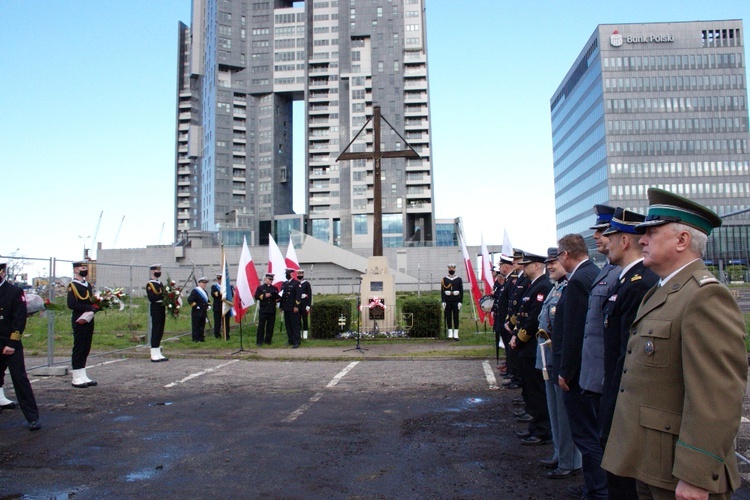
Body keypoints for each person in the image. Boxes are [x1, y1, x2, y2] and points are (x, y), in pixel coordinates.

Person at [602, 189, 748, 499]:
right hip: (650, 460)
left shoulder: (705, 296)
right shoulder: (661, 292)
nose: (642, 240)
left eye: (651, 233)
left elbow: (717, 396)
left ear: (681, 240)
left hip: (680, 471)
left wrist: (696, 475)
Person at [598, 208, 658, 499]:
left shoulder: (638, 285)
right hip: (615, 391)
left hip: (624, 400)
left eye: (610, 237)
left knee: (624, 483)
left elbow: (628, 354)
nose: (605, 243)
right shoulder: (626, 281)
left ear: (623, 241)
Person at [570, 205, 621, 498]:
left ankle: (600, 491)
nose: (599, 238)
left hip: (604, 376)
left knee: (601, 440)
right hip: (597, 376)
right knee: (599, 439)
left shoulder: (625, 278)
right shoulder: (607, 272)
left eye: (603, 233)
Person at [553, 235, 602, 499]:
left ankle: (596, 490)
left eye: (559, 255)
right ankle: (594, 486)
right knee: (589, 435)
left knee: (586, 436)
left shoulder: (580, 281)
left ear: (567, 254)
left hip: (578, 373)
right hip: (583, 370)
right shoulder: (590, 274)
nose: (558, 260)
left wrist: (566, 371)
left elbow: (575, 331)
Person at [537, 247, 581, 479]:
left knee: (564, 415)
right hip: (549, 358)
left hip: (560, 358)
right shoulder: (556, 289)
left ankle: (570, 461)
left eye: (554, 261)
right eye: (548, 263)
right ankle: (559, 453)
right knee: (555, 412)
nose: (550, 266)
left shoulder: (568, 288)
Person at [509, 252, 552, 445]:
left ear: (536, 266)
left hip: (532, 344)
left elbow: (534, 319)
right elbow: (522, 313)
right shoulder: (533, 285)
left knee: (537, 391)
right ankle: (535, 426)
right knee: (530, 388)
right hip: (525, 345)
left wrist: (519, 339)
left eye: (526, 265)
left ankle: (542, 430)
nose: (523, 268)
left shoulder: (542, 285)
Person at [0, 261, 40, 430]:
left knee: (19, 379)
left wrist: (12, 342)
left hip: (9, 344)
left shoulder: (14, 292)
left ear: (2, 272)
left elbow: (19, 319)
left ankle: (32, 417)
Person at [67, 261, 99, 388]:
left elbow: (90, 299)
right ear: (76, 270)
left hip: (89, 318)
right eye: (82, 268)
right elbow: (72, 304)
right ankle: (76, 376)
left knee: (86, 346)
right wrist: (89, 307)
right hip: (79, 318)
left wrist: (96, 305)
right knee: (79, 346)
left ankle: (82, 374)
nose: (84, 269)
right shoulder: (73, 286)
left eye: (86, 267)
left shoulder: (87, 285)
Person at [146, 264, 168, 362]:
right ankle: (153, 352)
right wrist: (163, 296)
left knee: (160, 329)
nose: (158, 272)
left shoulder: (159, 283)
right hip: (155, 307)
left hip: (161, 307)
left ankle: (157, 351)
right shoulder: (150, 284)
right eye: (156, 270)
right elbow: (152, 298)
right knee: (156, 329)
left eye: (159, 270)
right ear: (152, 271)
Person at [254, 273, 280, 346]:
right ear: (266, 279)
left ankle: (268, 340)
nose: (271, 281)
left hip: (271, 309)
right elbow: (256, 296)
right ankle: (259, 341)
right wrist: (265, 296)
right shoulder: (260, 288)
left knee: (270, 325)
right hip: (263, 309)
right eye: (270, 279)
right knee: (261, 325)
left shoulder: (274, 288)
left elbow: (277, 298)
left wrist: (277, 298)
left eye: (272, 279)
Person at [280, 268, 302, 348]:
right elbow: (282, 296)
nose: (286, 275)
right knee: (288, 325)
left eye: (288, 273)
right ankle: (290, 340)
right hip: (286, 308)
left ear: (292, 274)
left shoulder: (296, 283)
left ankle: (297, 341)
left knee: (295, 325)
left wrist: (296, 306)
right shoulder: (284, 283)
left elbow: (298, 296)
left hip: (293, 308)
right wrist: (281, 306)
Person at [441, 264, 463, 340]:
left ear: (454, 269)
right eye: (450, 268)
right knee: (448, 316)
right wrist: (443, 301)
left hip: (456, 300)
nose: (451, 270)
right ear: (448, 269)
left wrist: (460, 301)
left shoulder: (458, 279)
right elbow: (442, 291)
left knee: (456, 316)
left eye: (452, 268)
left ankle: (456, 334)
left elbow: (461, 291)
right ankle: (450, 333)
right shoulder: (444, 279)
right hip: (448, 300)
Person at [188, 277, 210, 342]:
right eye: (203, 283)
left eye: (205, 283)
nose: (205, 284)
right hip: (197, 312)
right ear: (199, 283)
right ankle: (195, 339)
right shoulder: (195, 291)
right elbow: (190, 300)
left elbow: (207, 300)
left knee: (202, 326)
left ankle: (201, 338)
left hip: (203, 312)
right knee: (196, 326)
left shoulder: (205, 292)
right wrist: (196, 306)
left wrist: (208, 305)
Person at [211, 274, 230, 340]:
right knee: (217, 323)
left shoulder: (227, 286)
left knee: (226, 322)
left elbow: (231, 295)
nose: (220, 281)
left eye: (221, 280)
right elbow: (215, 295)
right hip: (217, 308)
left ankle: (226, 335)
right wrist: (222, 293)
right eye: (219, 279)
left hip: (226, 306)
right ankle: (217, 336)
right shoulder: (214, 287)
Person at [298, 269, 312, 340]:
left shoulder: (306, 283)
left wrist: (308, 305)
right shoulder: (296, 283)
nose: (299, 275)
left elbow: (309, 294)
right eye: (298, 274)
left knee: (305, 319)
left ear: (303, 275)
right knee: (298, 319)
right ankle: (299, 333)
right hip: (298, 304)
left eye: (301, 274)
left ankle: (305, 334)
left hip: (304, 304)